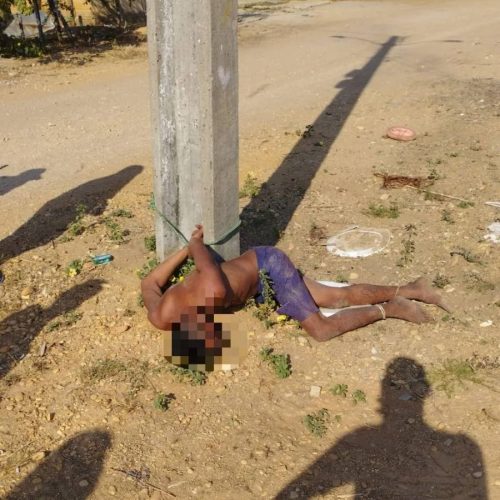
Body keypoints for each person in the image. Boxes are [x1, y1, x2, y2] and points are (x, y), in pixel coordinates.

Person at [141, 225, 449, 343]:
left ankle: (390, 308)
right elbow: (150, 283)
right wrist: (180, 252)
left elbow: (201, 252)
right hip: (255, 287)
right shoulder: (162, 316)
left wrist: (193, 243)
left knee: (321, 329)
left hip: (268, 265)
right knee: (333, 296)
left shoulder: (213, 287)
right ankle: (413, 289)